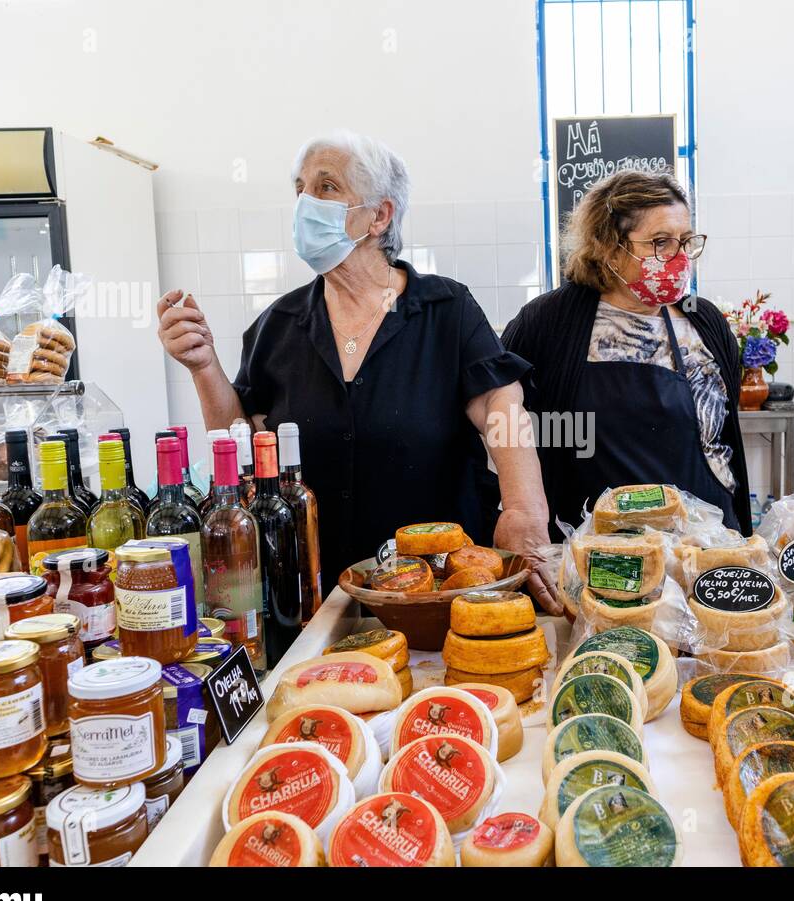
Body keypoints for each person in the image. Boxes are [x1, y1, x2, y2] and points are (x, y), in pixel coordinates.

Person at [158, 129, 560, 612]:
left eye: (327, 187)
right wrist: (203, 366)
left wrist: (523, 510)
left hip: (442, 591)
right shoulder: (278, 326)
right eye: (300, 188)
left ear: (379, 215)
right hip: (314, 594)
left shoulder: (445, 309)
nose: (306, 201)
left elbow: (501, 404)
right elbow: (239, 443)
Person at [502, 170, 751, 535]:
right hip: (598, 551)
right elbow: (505, 418)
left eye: (685, 241)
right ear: (609, 248)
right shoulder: (549, 322)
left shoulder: (705, 320)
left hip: (704, 543)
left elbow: (724, 431)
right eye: (660, 242)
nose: (679, 257)